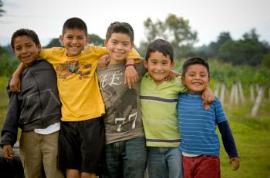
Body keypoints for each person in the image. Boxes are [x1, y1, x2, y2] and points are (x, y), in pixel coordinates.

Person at [10, 17, 140, 178]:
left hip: (92, 120)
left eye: (80, 38)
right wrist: (17, 74)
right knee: (71, 173)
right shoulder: (54, 54)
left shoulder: (93, 52)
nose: (74, 42)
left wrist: (129, 65)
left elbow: (127, 49)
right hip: (67, 122)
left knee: (87, 174)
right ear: (61, 38)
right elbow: (31, 54)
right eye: (70, 37)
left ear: (87, 40)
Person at [0, 29, 63, 178]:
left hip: (55, 131)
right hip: (29, 135)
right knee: (31, 174)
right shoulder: (16, 80)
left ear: (39, 47)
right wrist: (7, 139)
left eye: (29, 46)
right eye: (19, 48)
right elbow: (12, 110)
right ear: (14, 51)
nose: (24, 51)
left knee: (55, 174)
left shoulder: (53, 65)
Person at [97, 21, 146, 178]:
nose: (119, 47)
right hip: (107, 138)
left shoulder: (139, 66)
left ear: (132, 46)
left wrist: (130, 62)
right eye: (114, 42)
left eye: (125, 44)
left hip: (134, 137)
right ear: (106, 43)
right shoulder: (97, 67)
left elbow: (164, 69)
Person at [177, 57, 240, 178]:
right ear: (183, 79)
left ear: (208, 79)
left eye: (202, 75)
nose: (197, 78)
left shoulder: (214, 101)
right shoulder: (178, 98)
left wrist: (233, 153)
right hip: (184, 156)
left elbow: (224, 128)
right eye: (192, 74)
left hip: (208, 157)